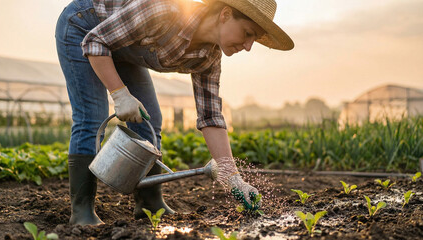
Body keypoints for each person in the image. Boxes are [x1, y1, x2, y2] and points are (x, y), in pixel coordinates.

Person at [55, 0, 293, 226]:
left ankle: (150, 203)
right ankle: (82, 210)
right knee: (92, 117)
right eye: (248, 33)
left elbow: (210, 117)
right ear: (226, 14)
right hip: (84, 26)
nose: (249, 46)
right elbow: (96, 41)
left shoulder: (209, 57)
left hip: (120, 44)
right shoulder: (164, 10)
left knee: (151, 119)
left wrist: (232, 177)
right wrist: (119, 93)